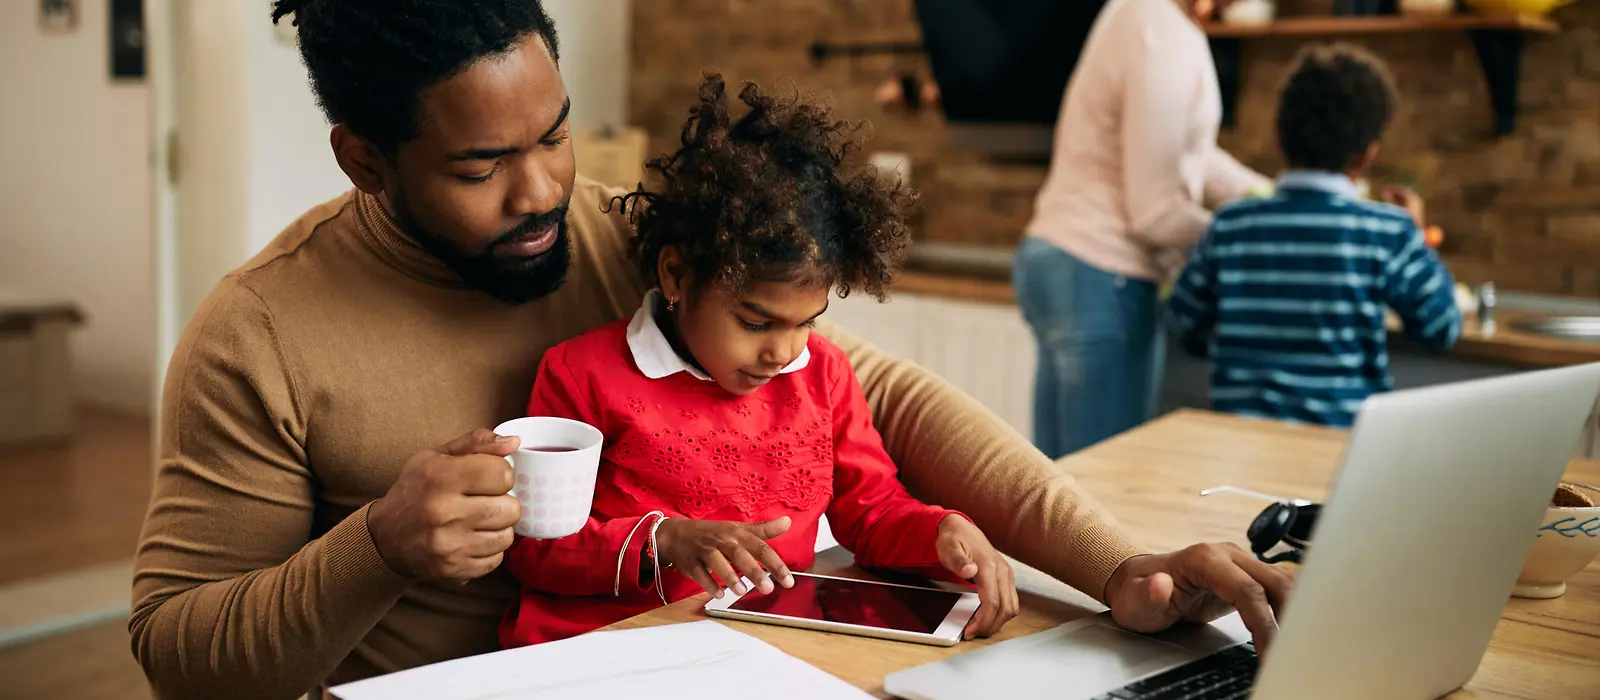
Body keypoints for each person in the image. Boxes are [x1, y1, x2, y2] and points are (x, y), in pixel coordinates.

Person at [129, 2, 1294, 699]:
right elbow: (177, 652)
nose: (543, 191)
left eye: (554, 133)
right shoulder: (261, 334)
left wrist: (1117, 568)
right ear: (364, 161)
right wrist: (378, 546)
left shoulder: (637, 241)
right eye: (480, 168)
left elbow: (879, 399)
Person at [500, 74, 1018, 648]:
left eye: (806, 322)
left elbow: (873, 509)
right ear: (675, 275)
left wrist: (943, 530)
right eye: (754, 322)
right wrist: (664, 540)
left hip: (755, 652)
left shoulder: (822, 375)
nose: (782, 351)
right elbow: (533, 549)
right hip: (598, 651)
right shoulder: (581, 374)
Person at [1012, 0, 1270, 459]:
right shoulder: (1160, 30)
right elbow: (1155, 214)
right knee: (1099, 488)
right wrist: (1256, 239)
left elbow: (1193, 152)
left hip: (1062, 257)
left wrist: (1276, 200)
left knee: (1059, 480)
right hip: (1100, 271)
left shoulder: (1149, 16)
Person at [1166, 45, 1462, 427]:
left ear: (1279, 140)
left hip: (1238, 443)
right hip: (1339, 451)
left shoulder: (1230, 226)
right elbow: (1441, 328)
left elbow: (1183, 323)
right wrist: (1418, 237)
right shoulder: (1387, 231)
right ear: (1367, 154)